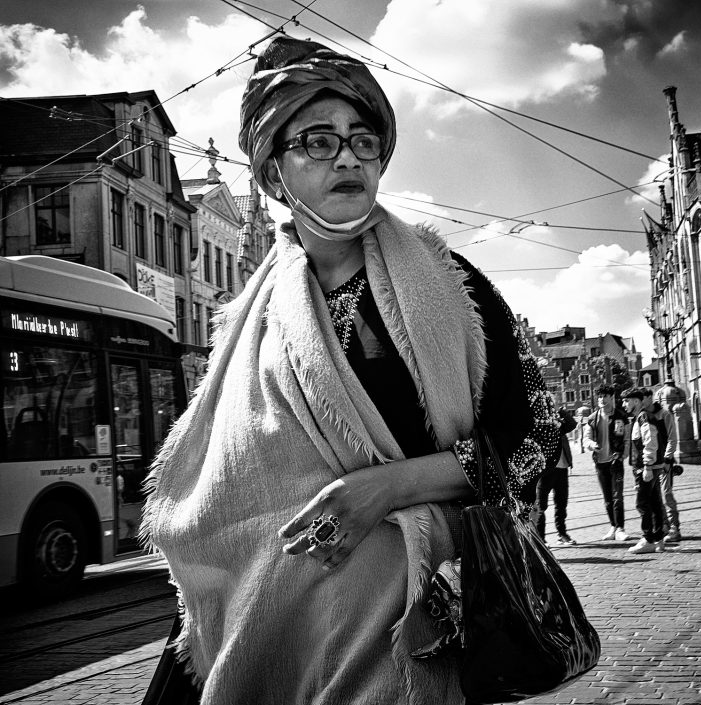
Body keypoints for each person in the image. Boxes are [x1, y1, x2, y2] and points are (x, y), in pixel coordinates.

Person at [142, 38, 559, 705]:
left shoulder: (453, 285)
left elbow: (537, 436)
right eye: (316, 139)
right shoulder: (249, 323)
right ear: (273, 174)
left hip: (413, 633)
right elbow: (228, 502)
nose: (346, 156)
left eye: (363, 140)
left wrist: (388, 486)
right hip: (273, 638)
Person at [623, 388, 668, 554]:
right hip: (650, 467)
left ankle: (648, 538)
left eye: (627, 401)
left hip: (648, 467)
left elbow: (650, 442)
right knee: (655, 502)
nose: (624, 404)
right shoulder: (641, 417)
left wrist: (647, 466)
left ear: (636, 401)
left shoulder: (643, 418)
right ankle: (658, 539)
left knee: (642, 503)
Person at [584, 385, 629, 541]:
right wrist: (592, 445)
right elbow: (586, 439)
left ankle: (620, 528)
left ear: (612, 397)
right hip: (600, 463)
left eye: (605, 396)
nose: (602, 399)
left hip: (615, 462)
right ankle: (613, 527)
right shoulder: (592, 418)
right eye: (599, 397)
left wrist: (623, 456)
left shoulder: (621, 416)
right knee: (607, 498)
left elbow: (626, 439)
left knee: (618, 497)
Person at [536, 409, 579, 545]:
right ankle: (541, 537)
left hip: (562, 468)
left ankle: (562, 534)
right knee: (541, 504)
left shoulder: (558, 422)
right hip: (545, 471)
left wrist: (560, 411)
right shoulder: (539, 423)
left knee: (561, 503)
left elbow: (572, 424)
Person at [649, 389, 681, 542]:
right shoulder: (642, 416)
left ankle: (674, 527)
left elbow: (672, 438)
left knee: (666, 493)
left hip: (664, 462)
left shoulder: (664, 414)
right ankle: (664, 525)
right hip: (650, 463)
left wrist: (668, 458)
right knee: (654, 497)